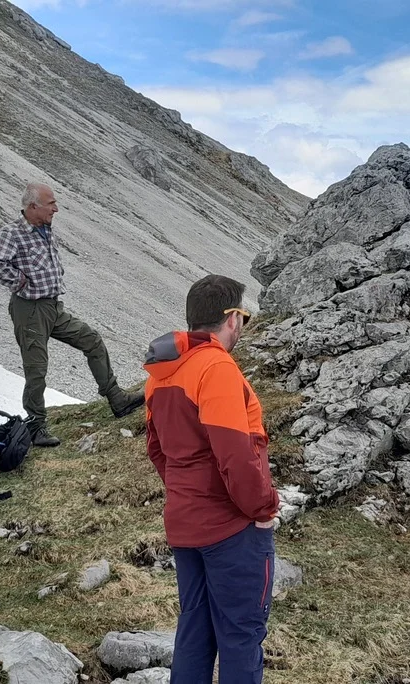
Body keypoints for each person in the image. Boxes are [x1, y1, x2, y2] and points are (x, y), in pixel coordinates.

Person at [144, 274, 280, 684]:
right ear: (232, 318)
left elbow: (157, 450)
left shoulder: (160, 373)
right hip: (231, 527)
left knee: (194, 631)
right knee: (241, 634)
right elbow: (235, 452)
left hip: (184, 523)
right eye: (244, 316)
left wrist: (187, 494)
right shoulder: (216, 367)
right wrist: (262, 509)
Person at [0, 183, 144, 448]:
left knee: (91, 339)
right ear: (33, 206)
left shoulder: (45, 230)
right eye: (51, 204)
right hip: (30, 309)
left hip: (53, 307)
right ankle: (36, 427)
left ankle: (117, 398)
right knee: (37, 370)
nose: (56, 209)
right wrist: (20, 282)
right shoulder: (12, 232)